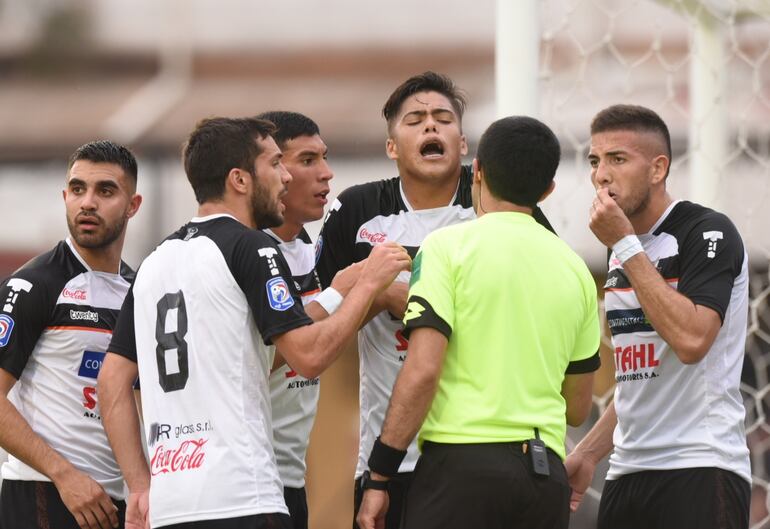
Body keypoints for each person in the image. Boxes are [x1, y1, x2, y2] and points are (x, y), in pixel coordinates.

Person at [97, 117, 410, 529]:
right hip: (241, 495)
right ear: (240, 180)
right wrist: (368, 285)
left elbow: (111, 382)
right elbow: (309, 356)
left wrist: (140, 486)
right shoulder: (253, 247)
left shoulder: (155, 260)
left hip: (171, 507)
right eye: (275, 164)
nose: (285, 177)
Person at [315, 71, 554, 528]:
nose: (430, 125)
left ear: (462, 144)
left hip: (481, 448)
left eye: (443, 119)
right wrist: (375, 294)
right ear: (392, 147)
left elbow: (540, 296)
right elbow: (317, 325)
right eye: (415, 120)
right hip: (388, 459)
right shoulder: (356, 210)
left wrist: (413, 300)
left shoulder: (499, 202)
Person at [355, 116, 600, 529]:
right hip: (544, 476)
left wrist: (380, 473)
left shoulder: (445, 247)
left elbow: (423, 369)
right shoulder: (576, 269)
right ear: (548, 190)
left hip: (461, 470)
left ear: (479, 172)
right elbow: (577, 407)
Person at [566, 104, 751, 529]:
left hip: (700, 466)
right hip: (626, 472)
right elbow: (642, 380)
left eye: (617, 159)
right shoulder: (622, 248)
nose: (601, 175)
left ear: (657, 168)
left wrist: (626, 247)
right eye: (594, 161)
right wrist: (588, 454)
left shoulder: (707, 232)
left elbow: (691, 341)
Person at [0, 141, 143, 529]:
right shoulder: (34, 283)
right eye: (78, 189)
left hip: (113, 502)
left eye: (106, 191)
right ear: (65, 197)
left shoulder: (140, 289)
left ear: (133, 205)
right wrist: (65, 475)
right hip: (44, 491)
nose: (88, 203)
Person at [255, 110, 336, 529]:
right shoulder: (244, 252)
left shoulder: (308, 245)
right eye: (307, 160)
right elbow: (253, 360)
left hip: (290, 476)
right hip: (247, 482)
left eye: (324, 157)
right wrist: (342, 296)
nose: (326, 173)